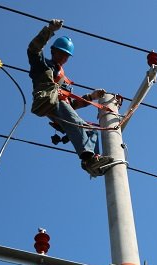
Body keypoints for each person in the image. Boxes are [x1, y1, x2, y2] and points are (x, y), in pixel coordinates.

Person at [27, 19, 112, 177]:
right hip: (49, 101)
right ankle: (89, 159)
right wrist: (49, 30)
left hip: (62, 106)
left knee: (91, 130)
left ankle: (94, 162)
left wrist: (91, 96)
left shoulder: (64, 80)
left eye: (66, 56)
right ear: (53, 51)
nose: (64, 57)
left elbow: (72, 104)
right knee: (76, 122)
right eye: (61, 53)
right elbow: (33, 49)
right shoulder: (42, 65)